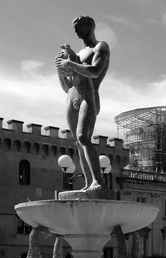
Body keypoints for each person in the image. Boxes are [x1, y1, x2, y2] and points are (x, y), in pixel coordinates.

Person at [55, 15, 110, 192]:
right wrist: (60, 72)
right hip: (71, 98)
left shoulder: (101, 46)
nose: (76, 30)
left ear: (90, 26)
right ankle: (87, 183)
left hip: (89, 96)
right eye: (75, 28)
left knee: (83, 137)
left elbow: (94, 71)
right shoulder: (78, 54)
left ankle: (98, 181)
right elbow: (67, 86)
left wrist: (69, 63)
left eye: (79, 26)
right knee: (78, 143)